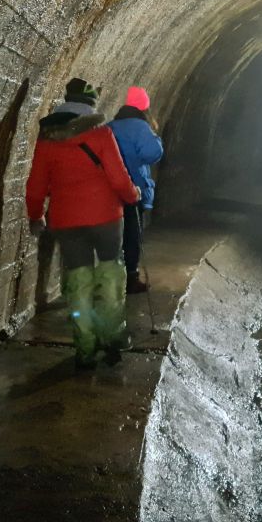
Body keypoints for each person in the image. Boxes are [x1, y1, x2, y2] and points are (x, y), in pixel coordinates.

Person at [26, 77, 140, 368]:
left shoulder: (47, 139)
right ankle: (112, 337)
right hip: (105, 218)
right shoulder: (101, 135)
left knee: (79, 281)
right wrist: (132, 195)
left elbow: (36, 185)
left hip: (66, 221)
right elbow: (118, 178)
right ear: (90, 105)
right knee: (110, 274)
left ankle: (85, 347)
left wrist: (36, 214)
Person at [109, 86, 164, 294]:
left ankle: (111, 276)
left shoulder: (111, 126)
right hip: (134, 190)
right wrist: (155, 137)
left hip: (112, 190)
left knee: (115, 235)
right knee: (132, 234)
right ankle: (130, 278)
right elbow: (152, 153)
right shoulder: (141, 128)